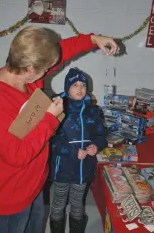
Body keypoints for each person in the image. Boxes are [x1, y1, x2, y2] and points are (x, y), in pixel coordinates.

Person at [0, 26, 118, 233]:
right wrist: (49, 119)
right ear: (30, 68)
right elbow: (16, 155)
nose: (48, 72)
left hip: (34, 184)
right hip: (11, 196)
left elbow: (62, 51)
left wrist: (94, 39)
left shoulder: (26, 76)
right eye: (45, 70)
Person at [50, 67, 106, 233]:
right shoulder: (58, 108)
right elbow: (52, 139)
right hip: (63, 169)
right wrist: (73, 151)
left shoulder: (93, 111)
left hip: (83, 169)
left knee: (77, 202)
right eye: (75, 85)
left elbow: (100, 135)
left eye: (83, 84)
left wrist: (96, 145)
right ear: (67, 88)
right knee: (59, 202)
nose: (80, 88)